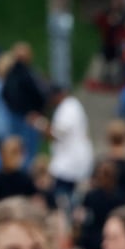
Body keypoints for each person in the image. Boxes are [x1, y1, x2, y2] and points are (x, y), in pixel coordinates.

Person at [44, 84, 93, 216]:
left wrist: (40, 125)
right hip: (71, 160)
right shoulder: (71, 106)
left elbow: (58, 133)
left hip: (71, 162)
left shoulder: (69, 107)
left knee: (64, 201)